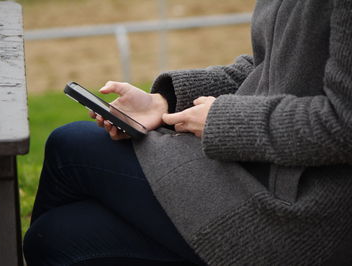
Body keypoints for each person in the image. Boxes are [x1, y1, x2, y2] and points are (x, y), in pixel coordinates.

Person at [23, 0, 352, 265]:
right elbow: (270, 67)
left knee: (70, 147)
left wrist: (222, 120)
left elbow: (343, 123)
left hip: (301, 212)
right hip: (253, 166)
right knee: (53, 238)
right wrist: (163, 101)